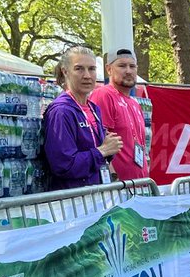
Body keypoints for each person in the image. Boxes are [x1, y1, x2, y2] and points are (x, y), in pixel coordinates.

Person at [43, 46, 122, 190]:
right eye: (79, 69)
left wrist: (109, 149)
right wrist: (102, 151)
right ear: (65, 71)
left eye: (91, 69)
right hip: (73, 202)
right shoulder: (61, 111)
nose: (87, 75)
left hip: (96, 195)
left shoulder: (93, 107)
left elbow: (98, 152)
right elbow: (63, 166)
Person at [89, 48, 148, 182]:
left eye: (132, 66)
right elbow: (97, 139)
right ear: (109, 69)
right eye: (122, 66)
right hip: (119, 189)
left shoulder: (134, 103)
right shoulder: (104, 95)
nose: (128, 71)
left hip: (139, 183)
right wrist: (113, 178)